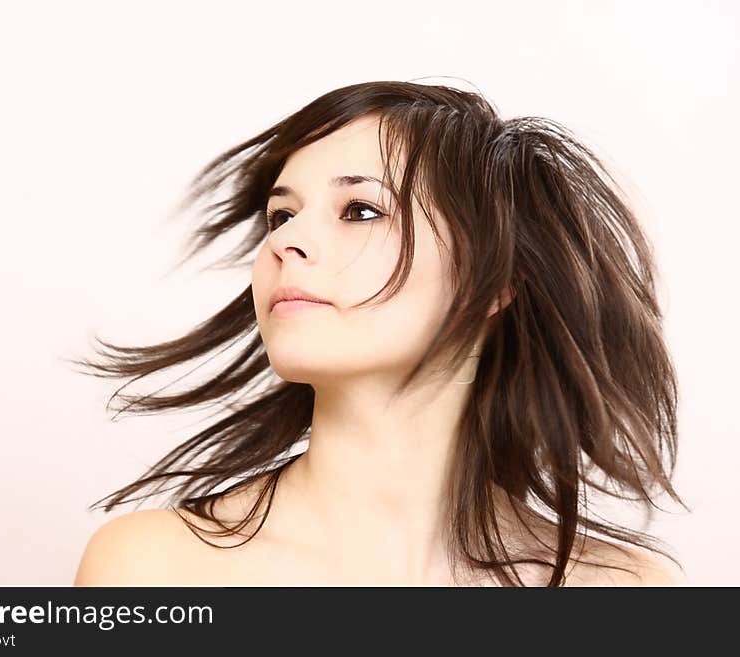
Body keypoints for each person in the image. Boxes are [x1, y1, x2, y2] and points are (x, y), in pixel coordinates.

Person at [71, 80, 688, 586]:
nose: (286, 241)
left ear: (497, 278)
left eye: (361, 211)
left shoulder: (627, 594)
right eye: (281, 215)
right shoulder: (154, 571)